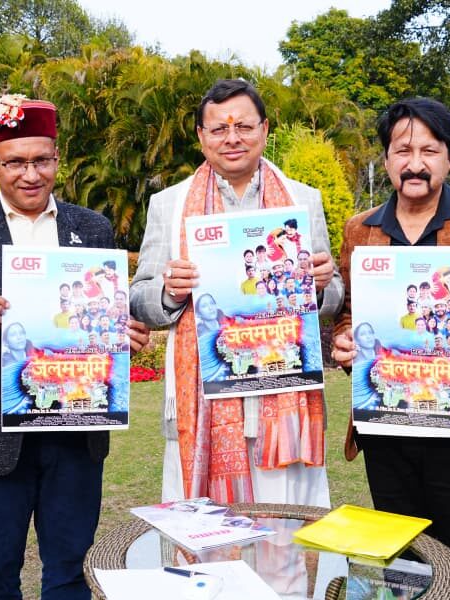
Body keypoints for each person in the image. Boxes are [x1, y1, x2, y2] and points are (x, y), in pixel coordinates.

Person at [0, 95, 149, 600]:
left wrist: (123, 335)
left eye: (42, 160)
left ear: (57, 158)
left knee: (70, 571)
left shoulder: (91, 228)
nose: (30, 174)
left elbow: (104, 313)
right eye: (15, 162)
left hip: (77, 428)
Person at [330, 97, 450, 600]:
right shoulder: (361, 229)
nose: (415, 163)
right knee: (402, 558)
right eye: (402, 150)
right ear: (387, 160)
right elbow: (348, 313)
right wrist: (345, 341)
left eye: (429, 151)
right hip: (386, 422)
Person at [130, 79, 344, 506]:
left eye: (244, 126)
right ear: (201, 136)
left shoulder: (302, 200)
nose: (232, 138)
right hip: (202, 398)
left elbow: (335, 294)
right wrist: (169, 292)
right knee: (208, 531)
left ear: (264, 130)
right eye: (219, 129)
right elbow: (139, 298)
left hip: (283, 398)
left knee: (283, 530)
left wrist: (321, 286)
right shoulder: (170, 205)